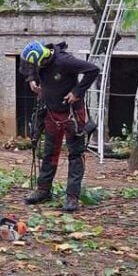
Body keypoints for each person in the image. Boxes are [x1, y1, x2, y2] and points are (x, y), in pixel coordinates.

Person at [21, 41, 100, 212]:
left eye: (38, 65)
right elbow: (31, 69)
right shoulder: (38, 59)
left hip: (72, 113)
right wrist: (33, 79)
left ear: (44, 58)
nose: (37, 67)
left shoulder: (64, 61)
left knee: (75, 154)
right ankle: (43, 190)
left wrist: (77, 92)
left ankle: (72, 197)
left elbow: (93, 70)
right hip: (51, 112)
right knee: (50, 152)